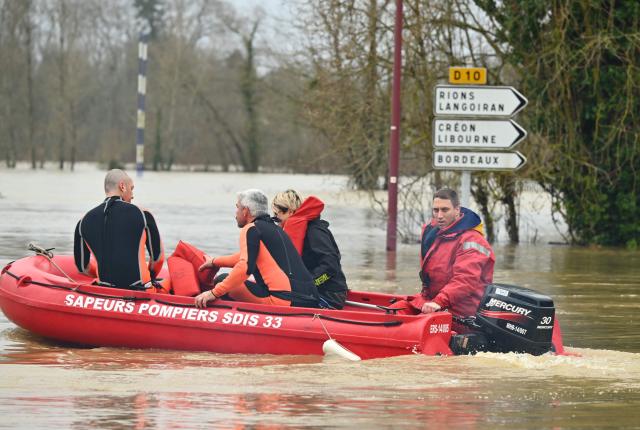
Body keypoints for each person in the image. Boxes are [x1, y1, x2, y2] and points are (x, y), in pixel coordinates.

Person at [194, 189, 319, 308]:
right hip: (310, 299)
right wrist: (214, 262)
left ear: (245, 211)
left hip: (284, 301)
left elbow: (245, 267)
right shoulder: (276, 229)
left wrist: (213, 293)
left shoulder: (251, 229)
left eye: (237, 207)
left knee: (221, 280)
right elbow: (245, 256)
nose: (235, 213)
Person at [395, 188, 494, 331]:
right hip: (433, 304)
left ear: (457, 210)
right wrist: (431, 302)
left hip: (461, 314)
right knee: (394, 310)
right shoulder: (433, 232)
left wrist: (438, 302)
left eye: (445, 210)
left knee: (410, 327)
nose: (439, 215)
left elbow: (465, 280)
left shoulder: (472, 240)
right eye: (436, 210)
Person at [74, 169, 165, 291]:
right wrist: (150, 279)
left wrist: (106, 276)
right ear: (122, 186)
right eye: (131, 189)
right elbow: (158, 259)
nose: (132, 195)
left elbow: (82, 267)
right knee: (169, 283)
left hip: (104, 291)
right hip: (140, 292)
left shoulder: (83, 221)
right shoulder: (143, 214)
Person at [272, 189, 348, 309]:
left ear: (290, 212)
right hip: (317, 291)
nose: (276, 222)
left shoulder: (315, 232)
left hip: (329, 295)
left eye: (277, 216)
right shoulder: (301, 229)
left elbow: (331, 266)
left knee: (277, 300)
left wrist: (311, 284)